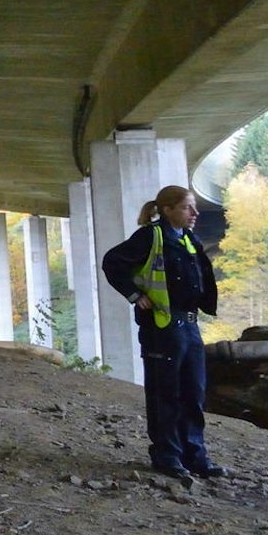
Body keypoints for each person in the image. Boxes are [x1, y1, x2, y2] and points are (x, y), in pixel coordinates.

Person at [102, 186, 225, 483]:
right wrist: (134, 295)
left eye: (194, 207)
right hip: (162, 327)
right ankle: (167, 456)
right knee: (165, 394)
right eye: (187, 208)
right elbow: (112, 262)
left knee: (193, 394)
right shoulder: (151, 236)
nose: (194, 213)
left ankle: (195, 456)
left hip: (190, 326)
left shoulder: (188, 238)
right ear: (168, 209)